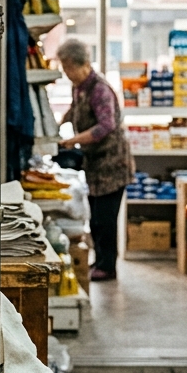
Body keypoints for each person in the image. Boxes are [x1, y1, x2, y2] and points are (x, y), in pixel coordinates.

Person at [56, 38, 133, 281]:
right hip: (95, 165)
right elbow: (74, 109)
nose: (67, 73)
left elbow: (106, 126)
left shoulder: (100, 89)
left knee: (106, 218)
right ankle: (99, 261)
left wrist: (74, 139)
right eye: (64, 68)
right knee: (97, 219)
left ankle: (107, 266)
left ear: (84, 64)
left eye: (70, 68)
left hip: (112, 164)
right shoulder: (79, 87)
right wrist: (59, 123)